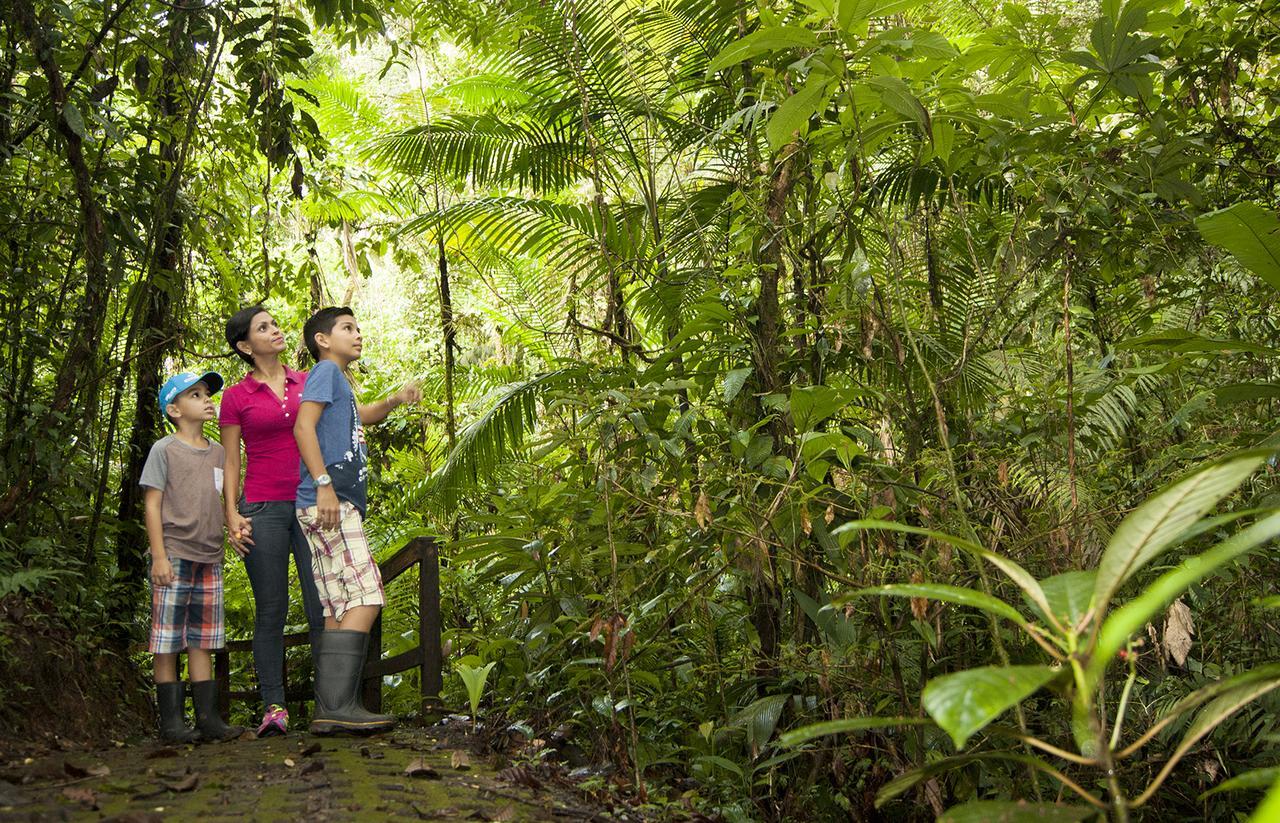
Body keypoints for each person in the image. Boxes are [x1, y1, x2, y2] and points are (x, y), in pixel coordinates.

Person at [293, 306, 420, 735]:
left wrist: (395, 400)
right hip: (330, 500)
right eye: (347, 328)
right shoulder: (325, 373)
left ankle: (332, 709)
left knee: (337, 604)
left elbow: (360, 415)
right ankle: (339, 705)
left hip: (323, 503)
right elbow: (303, 428)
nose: (358, 334)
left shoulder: (339, 384)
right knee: (367, 594)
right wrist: (324, 483)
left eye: (358, 327)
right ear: (323, 340)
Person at [220, 306, 326, 737]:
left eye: (274, 323)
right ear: (245, 346)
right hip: (261, 508)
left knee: (322, 606)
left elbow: (338, 427)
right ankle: (274, 708)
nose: (275, 330)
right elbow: (230, 460)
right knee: (271, 611)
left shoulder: (309, 380)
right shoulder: (235, 396)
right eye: (263, 327)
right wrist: (231, 513)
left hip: (311, 504)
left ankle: (329, 704)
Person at [141, 371, 245, 743]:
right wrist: (159, 556)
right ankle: (171, 723)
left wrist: (233, 527)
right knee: (168, 640)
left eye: (206, 394)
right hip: (174, 554)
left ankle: (208, 719)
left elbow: (222, 500)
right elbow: (152, 505)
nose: (206, 399)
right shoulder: (163, 449)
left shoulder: (218, 452)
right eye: (195, 395)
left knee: (203, 639)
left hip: (209, 557)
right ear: (174, 409)